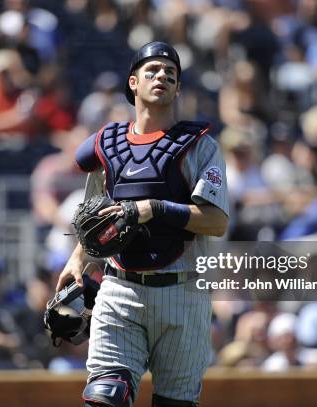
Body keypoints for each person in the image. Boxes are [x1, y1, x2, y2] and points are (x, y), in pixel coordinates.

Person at [55, 42, 229, 407]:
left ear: (178, 88)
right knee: (105, 397)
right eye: (152, 71)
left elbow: (215, 221)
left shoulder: (200, 146)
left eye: (171, 74)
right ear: (133, 82)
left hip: (182, 292)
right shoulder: (109, 145)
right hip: (120, 289)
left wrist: (155, 208)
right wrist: (77, 260)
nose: (162, 76)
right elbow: (93, 219)